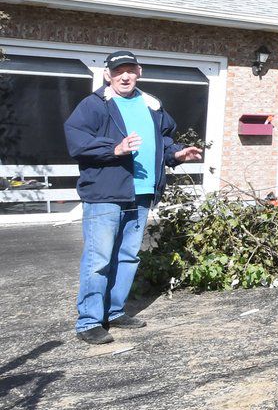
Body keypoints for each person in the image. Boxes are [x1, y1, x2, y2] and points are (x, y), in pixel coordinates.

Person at [64, 49, 204, 344]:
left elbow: (163, 141)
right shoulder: (95, 104)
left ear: (139, 71)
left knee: (127, 256)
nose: (124, 76)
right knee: (98, 258)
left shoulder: (152, 105)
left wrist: (177, 153)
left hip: (141, 193)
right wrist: (114, 149)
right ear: (107, 75)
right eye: (118, 71)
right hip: (105, 192)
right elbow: (77, 140)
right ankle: (89, 320)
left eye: (130, 70)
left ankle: (114, 311)